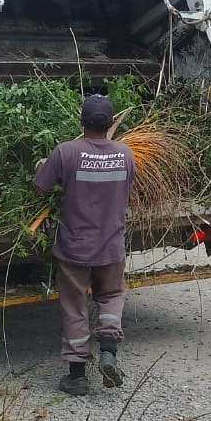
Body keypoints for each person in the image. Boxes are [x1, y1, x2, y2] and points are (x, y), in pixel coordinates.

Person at [34, 93, 134, 396]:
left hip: (75, 248)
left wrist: (43, 165)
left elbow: (40, 187)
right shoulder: (126, 154)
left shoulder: (66, 152)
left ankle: (77, 376)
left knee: (75, 306)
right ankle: (108, 352)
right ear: (111, 122)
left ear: (82, 121)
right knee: (112, 295)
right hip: (111, 246)